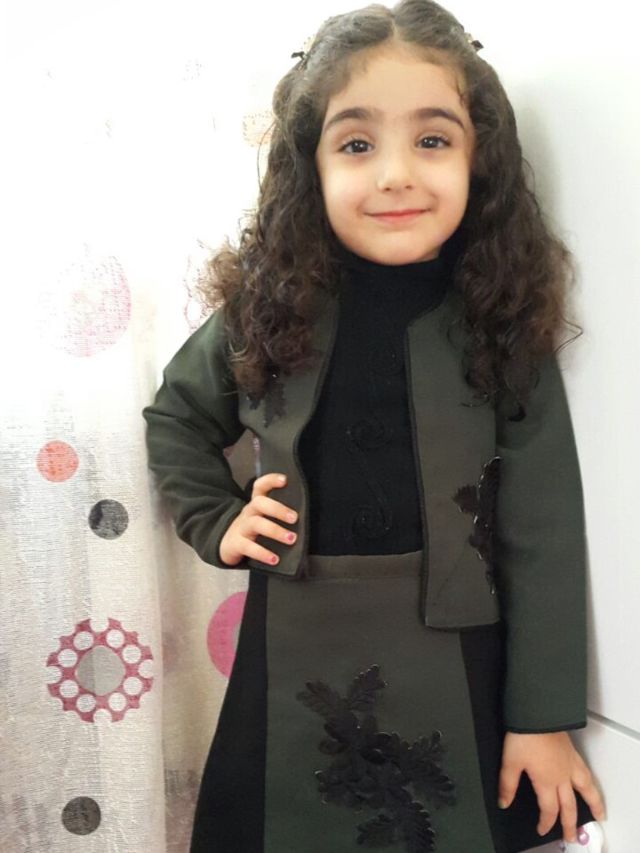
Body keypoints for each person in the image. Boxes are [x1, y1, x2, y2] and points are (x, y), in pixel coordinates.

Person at [142, 1, 607, 850]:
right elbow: (176, 416)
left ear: (481, 160)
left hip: (460, 661)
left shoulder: (500, 319)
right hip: (291, 649)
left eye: (432, 139)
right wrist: (217, 519)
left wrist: (542, 718)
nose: (395, 174)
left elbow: (542, 530)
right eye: (357, 144)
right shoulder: (267, 308)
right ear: (309, 166)